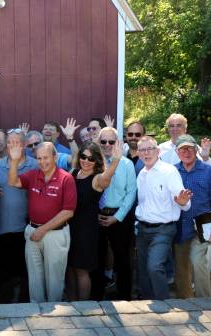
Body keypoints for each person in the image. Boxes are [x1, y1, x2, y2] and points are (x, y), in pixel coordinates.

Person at [7, 141, 76, 302]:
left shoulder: (66, 178)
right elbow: (13, 182)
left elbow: (68, 212)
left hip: (55, 234)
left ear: (55, 157)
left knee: (54, 280)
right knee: (34, 279)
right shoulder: (33, 175)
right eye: (38, 158)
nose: (42, 162)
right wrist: (15, 161)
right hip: (32, 232)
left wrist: (42, 230)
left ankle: (54, 316)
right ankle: (37, 316)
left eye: (46, 158)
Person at [134, 136, 192, 300]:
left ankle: (162, 303)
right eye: (143, 150)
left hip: (163, 229)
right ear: (138, 154)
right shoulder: (141, 175)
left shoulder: (169, 171)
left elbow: (184, 203)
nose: (146, 153)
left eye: (150, 149)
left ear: (158, 151)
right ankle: (145, 304)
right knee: (143, 269)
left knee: (154, 266)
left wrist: (183, 202)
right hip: (142, 228)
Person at [173, 134, 211, 298]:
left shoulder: (209, 171)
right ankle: (187, 302)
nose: (187, 152)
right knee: (181, 267)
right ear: (177, 152)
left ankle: (205, 300)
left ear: (196, 150)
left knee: (198, 261)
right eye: (183, 149)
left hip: (203, 225)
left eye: (190, 148)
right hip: (180, 226)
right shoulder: (172, 171)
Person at [66, 142, 119, 301]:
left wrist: (115, 160)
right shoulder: (73, 173)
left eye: (91, 158)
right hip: (68, 226)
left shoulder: (97, 179)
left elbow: (107, 177)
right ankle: (72, 303)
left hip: (86, 231)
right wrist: (70, 139)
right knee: (69, 268)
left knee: (81, 270)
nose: (86, 161)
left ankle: (83, 307)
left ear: (97, 161)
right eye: (83, 157)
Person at [90, 127, 137, 301]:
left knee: (123, 260)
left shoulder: (126, 164)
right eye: (103, 141)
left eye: (112, 141)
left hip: (120, 217)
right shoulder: (93, 163)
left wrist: (117, 217)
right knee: (97, 259)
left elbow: (131, 192)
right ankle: (96, 298)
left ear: (118, 143)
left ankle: (125, 297)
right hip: (97, 216)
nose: (107, 145)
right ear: (98, 143)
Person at [0, 130, 35, 303]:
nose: (13, 146)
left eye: (17, 143)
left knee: (26, 268)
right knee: (4, 266)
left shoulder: (35, 165)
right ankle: (4, 300)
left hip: (27, 225)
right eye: (10, 143)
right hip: (3, 224)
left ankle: (25, 300)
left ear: (24, 145)